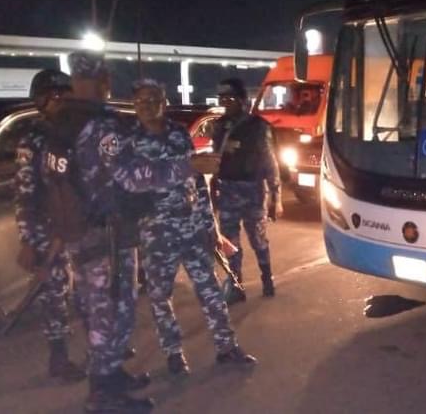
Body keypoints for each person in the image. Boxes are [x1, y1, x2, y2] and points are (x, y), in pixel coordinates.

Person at [55, 50, 188, 412]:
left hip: (80, 229)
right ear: (104, 81)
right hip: (105, 234)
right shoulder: (102, 125)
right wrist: (185, 168)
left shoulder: (62, 120)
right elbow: (132, 177)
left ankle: (111, 375)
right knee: (111, 313)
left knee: (100, 309)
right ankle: (102, 395)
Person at [130, 79, 257, 376]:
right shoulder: (129, 141)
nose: (148, 106)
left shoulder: (178, 134)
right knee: (160, 297)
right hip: (155, 230)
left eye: (154, 99)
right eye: (142, 100)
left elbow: (197, 180)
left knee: (210, 289)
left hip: (190, 226)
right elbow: (135, 181)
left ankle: (226, 347)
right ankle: (173, 353)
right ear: (134, 105)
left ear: (164, 102)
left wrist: (209, 225)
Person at [13, 69, 87, 382]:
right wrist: (28, 239)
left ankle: (101, 348)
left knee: (86, 289)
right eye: (54, 96)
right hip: (47, 227)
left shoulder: (77, 132)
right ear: (40, 100)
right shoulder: (33, 139)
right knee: (54, 294)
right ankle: (59, 358)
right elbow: (25, 193)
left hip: (78, 223)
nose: (61, 101)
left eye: (65, 95)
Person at [209, 78, 282, 297]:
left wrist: (276, 196)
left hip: (253, 191)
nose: (225, 103)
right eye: (222, 99)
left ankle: (267, 278)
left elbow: (270, 161)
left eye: (230, 98)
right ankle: (236, 285)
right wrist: (213, 187)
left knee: (258, 239)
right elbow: (216, 158)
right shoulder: (219, 126)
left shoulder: (258, 126)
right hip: (227, 190)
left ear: (242, 100)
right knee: (230, 241)